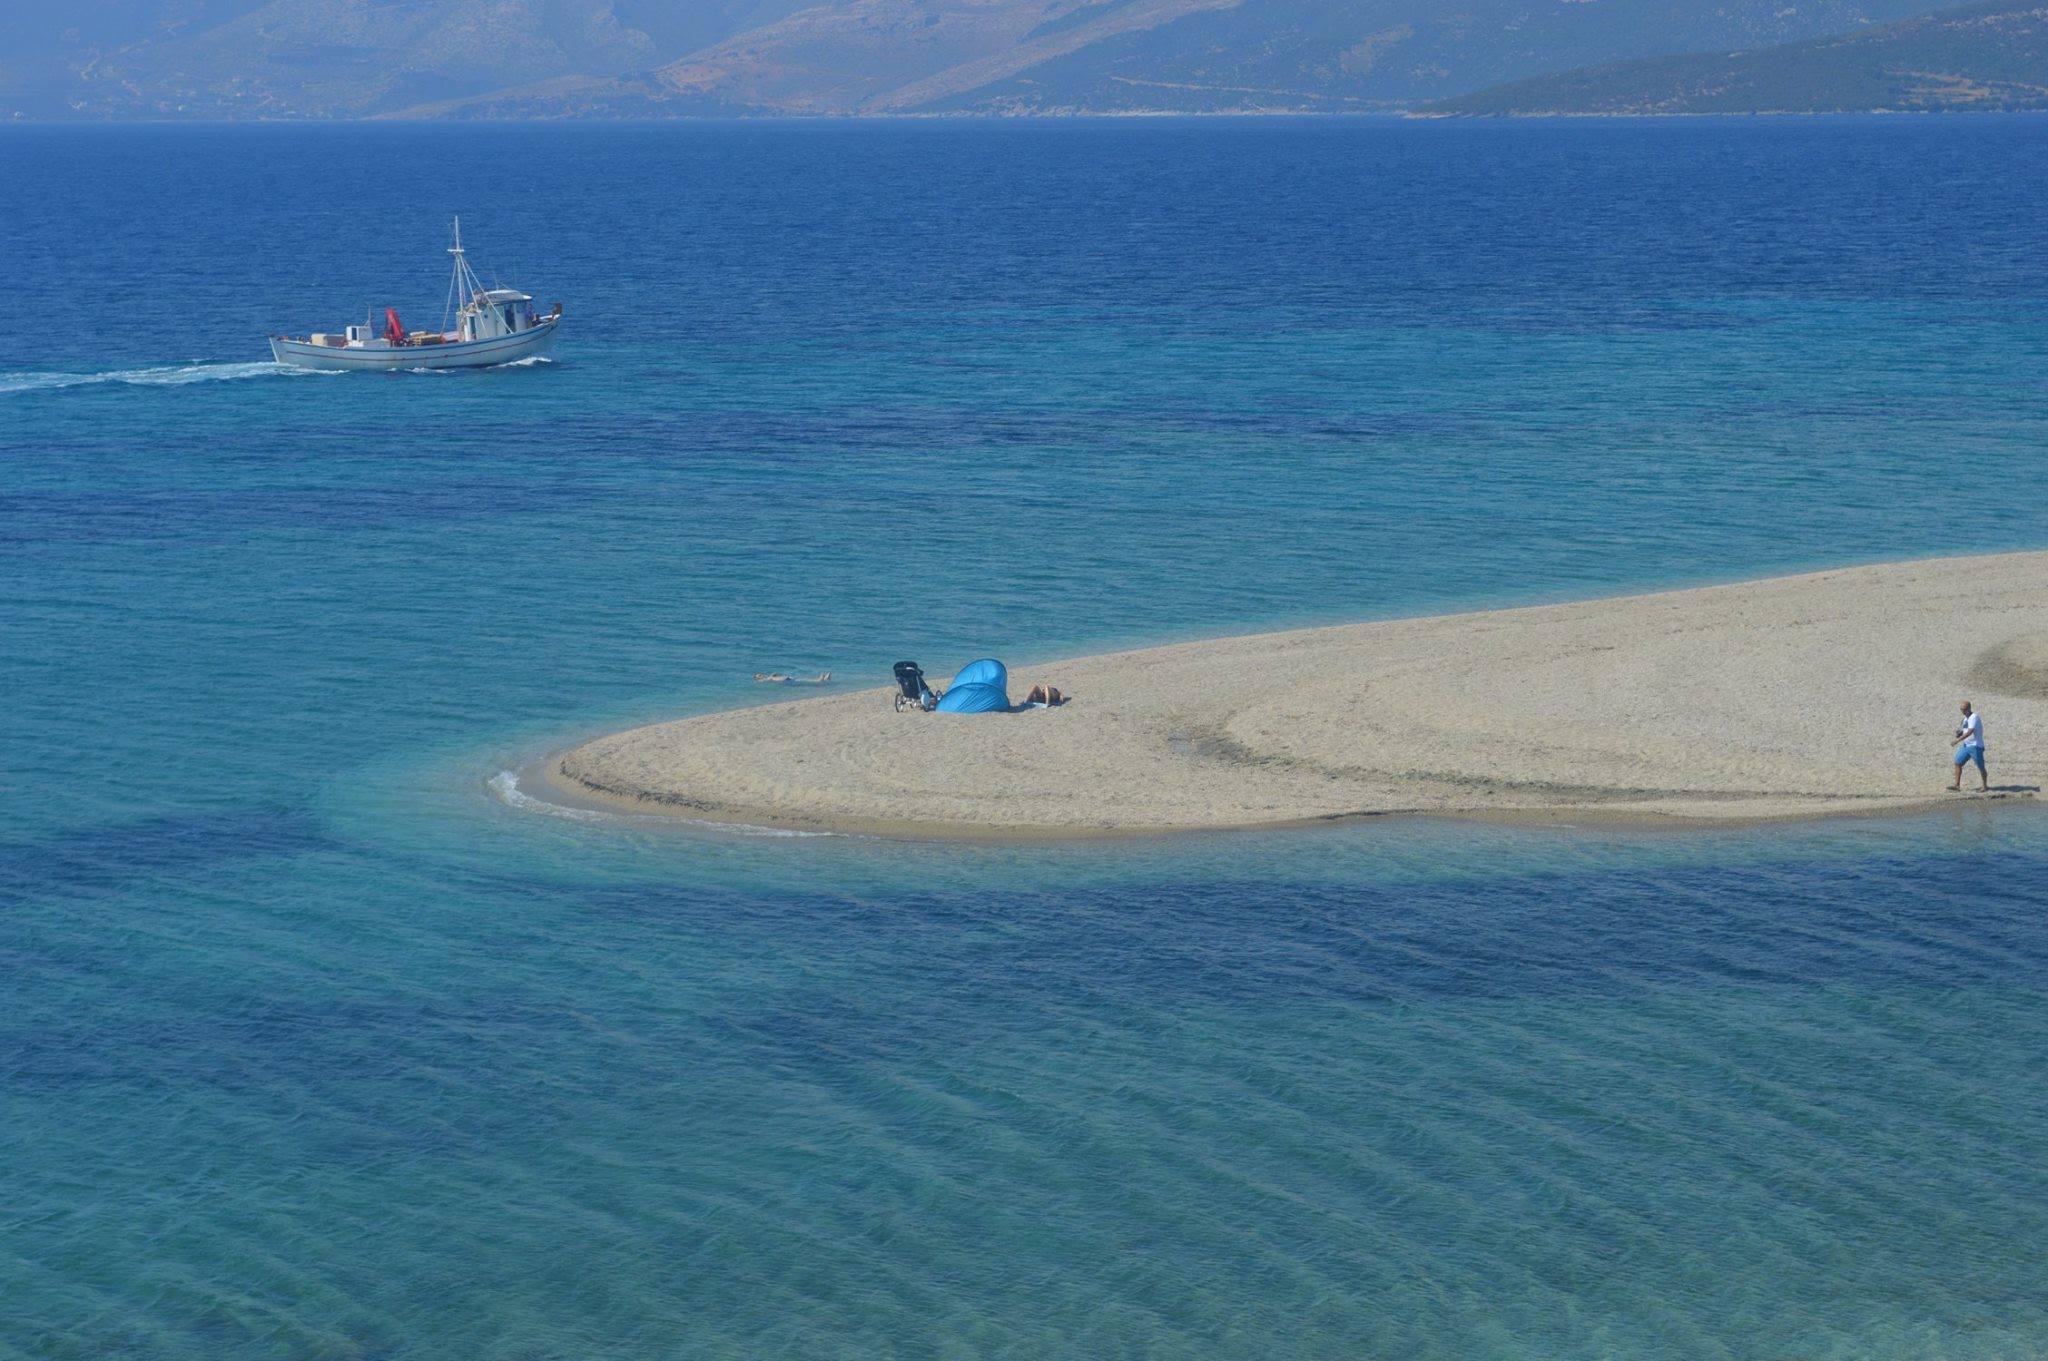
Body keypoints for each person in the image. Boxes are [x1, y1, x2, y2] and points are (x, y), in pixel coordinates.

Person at [1949, 699, 1988, 792]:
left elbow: (1970, 731)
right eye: (1961, 709)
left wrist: (1957, 740)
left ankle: (1984, 786)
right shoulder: (1965, 719)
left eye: (1964, 709)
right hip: (1966, 745)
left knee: (1981, 767)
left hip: (1975, 746)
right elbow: (1964, 730)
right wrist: (1959, 733)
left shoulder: (1974, 717)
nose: (1962, 711)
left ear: (1969, 708)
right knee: (1958, 762)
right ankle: (1957, 785)